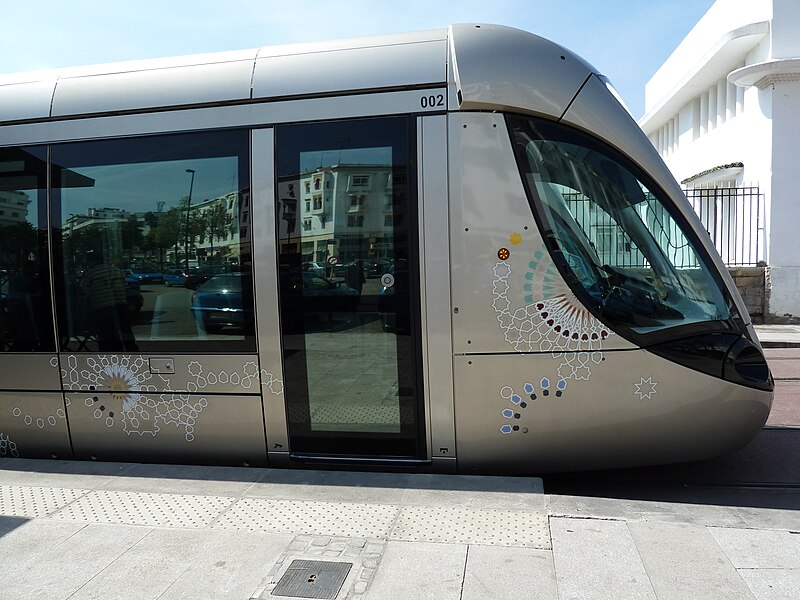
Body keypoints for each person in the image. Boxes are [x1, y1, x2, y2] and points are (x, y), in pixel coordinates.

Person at [82, 252, 138, 351]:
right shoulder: (116, 270)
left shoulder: (90, 273)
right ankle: (132, 350)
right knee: (125, 329)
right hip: (121, 304)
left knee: (107, 332)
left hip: (102, 307)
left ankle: (115, 351)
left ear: (91, 261)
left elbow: (85, 291)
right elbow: (124, 286)